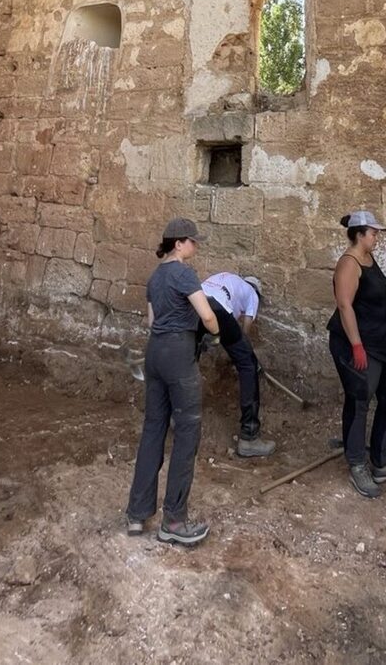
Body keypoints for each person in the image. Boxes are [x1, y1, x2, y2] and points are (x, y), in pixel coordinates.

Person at [126, 217, 220, 547]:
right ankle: (175, 521)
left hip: (154, 353)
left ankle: (137, 514)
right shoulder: (183, 273)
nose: (196, 246)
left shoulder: (154, 278)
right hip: (179, 353)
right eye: (193, 241)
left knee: (154, 427)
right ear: (178, 243)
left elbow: (152, 321)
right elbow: (207, 315)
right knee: (187, 431)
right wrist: (216, 334)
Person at [328, 210, 386, 498]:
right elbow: (345, 305)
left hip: (385, 344)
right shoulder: (348, 264)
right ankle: (357, 464)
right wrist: (356, 345)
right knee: (359, 401)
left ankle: (381, 460)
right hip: (360, 344)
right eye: (373, 233)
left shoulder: (368, 258)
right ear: (359, 234)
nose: (377, 237)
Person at [199, 272, 276, 458]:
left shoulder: (225, 277)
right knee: (248, 365)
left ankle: (177, 416)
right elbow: (245, 330)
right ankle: (249, 437)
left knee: (188, 356)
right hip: (217, 310)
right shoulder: (252, 294)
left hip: (195, 304)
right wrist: (244, 355)